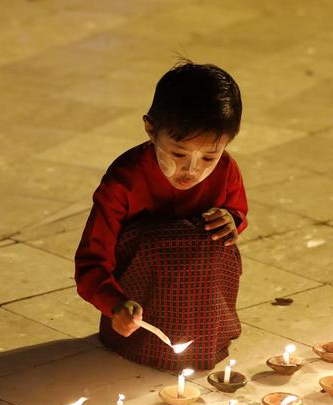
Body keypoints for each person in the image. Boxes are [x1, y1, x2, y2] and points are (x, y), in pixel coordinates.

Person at [74, 60, 248, 370]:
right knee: (162, 243)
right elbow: (91, 261)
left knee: (212, 241)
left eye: (209, 156)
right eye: (179, 154)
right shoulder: (124, 181)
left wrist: (231, 220)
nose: (192, 170)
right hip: (141, 301)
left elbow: (238, 212)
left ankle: (209, 340)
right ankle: (138, 343)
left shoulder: (225, 170)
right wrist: (114, 305)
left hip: (201, 299)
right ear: (151, 129)